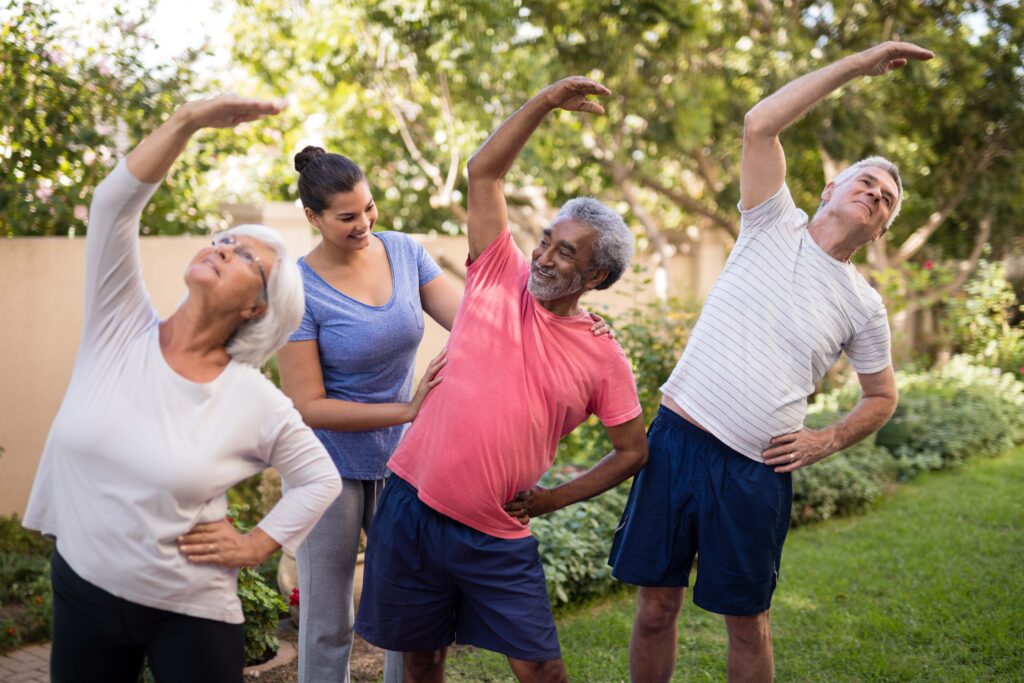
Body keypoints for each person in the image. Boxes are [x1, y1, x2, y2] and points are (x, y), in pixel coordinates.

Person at [609, 42, 933, 682]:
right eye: (866, 181)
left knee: (749, 623)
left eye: (888, 199)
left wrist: (827, 439)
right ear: (830, 188)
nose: (876, 195)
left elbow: (881, 397)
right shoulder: (769, 222)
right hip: (676, 443)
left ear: (883, 230)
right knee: (653, 610)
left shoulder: (865, 306)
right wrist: (858, 65)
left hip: (756, 470)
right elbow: (761, 123)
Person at [22, 95, 342, 683]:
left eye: (249, 256)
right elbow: (112, 207)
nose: (225, 249)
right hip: (83, 586)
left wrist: (256, 545)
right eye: (225, 239)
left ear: (257, 307)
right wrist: (187, 120)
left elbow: (318, 478)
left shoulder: (254, 399)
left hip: (186, 610)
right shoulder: (117, 326)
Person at [277, 146, 614, 682]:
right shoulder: (296, 289)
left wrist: (574, 321)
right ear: (312, 218)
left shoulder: (404, 253)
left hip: (407, 461)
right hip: (326, 464)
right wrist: (408, 408)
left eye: (369, 208)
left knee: (405, 626)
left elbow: (485, 320)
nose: (364, 223)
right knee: (327, 619)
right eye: (346, 217)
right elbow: (308, 407)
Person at [354, 76, 649, 683]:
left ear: (595, 277)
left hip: (494, 530)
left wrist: (553, 499)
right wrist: (543, 103)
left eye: (566, 254)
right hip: (412, 500)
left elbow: (632, 450)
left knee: (540, 668)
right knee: (421, 658)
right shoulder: (497, 273)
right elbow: (482, 173)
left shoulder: (603, 356)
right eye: (546, 241)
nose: (543, 257)